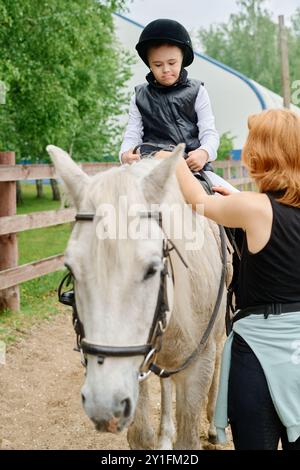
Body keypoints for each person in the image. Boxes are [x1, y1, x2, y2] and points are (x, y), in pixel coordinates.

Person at [159, 108, 300, 450]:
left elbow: (197, 201)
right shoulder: (254, 207)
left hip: (260, 347)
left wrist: (176, 160)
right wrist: (238, 202)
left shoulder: (252, 208)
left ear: (262, 154)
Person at [119, 18, 238, 193]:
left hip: (192, 168)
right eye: (158, 65)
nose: (166, 69)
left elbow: (209, 133)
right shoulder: (138, 96)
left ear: (182, 59)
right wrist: (125, 155)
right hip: (150, 166)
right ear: (149, 65)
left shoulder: (198, 91)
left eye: (172, 63)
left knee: (236, 204)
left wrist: (204, 153)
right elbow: (132, 134)